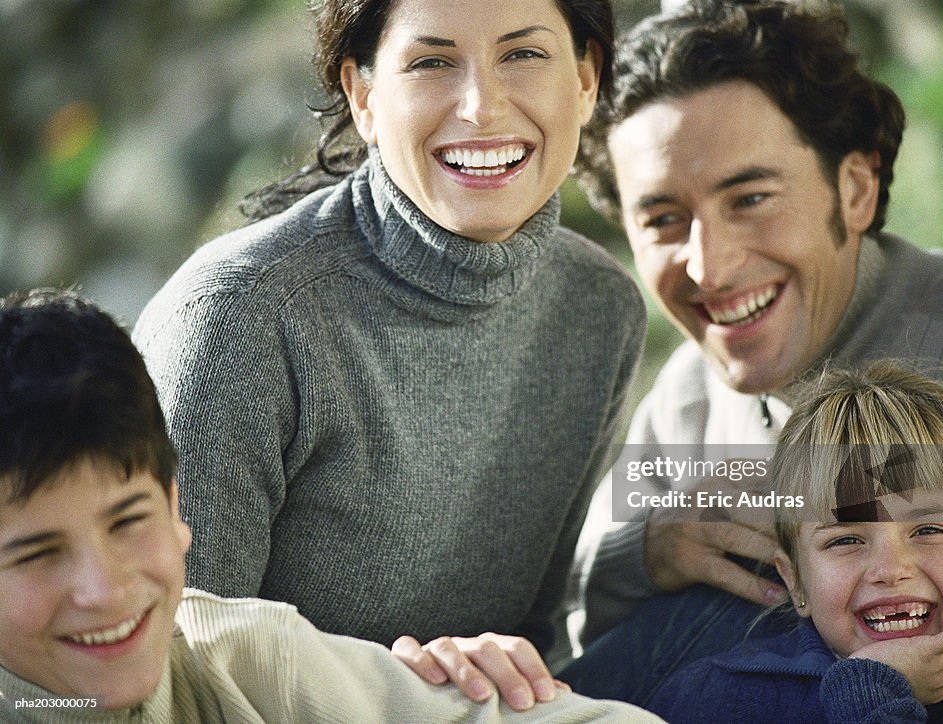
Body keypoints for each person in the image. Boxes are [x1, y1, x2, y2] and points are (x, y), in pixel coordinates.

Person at [131, 0, 645, 668]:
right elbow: (173, 674)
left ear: (585, 80)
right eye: (432, 62)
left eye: (522, 55)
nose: (481, 107)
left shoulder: (599, 308)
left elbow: (536, 641)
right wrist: (385, 693)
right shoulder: (240, 320)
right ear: (363, 95)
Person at [563, 0, 943, 704]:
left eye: (749, 198)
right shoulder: (683, 405)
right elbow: (580, 608)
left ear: (857, 189)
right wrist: (651, 551)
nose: (708, 268)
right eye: (662, 219)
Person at [0, 288, 661, 723]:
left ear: (175, 506)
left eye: (128, 522)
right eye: (37, 553)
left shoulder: (248, 660)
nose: (104, 588)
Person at [647, 361, 943, 722]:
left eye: (928, 530)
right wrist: (874, 690)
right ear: (795, 581)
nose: (890, 570)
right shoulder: (717, 699)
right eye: (845, 539)